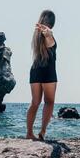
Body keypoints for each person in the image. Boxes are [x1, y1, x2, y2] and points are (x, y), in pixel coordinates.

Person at [26, 10, 57, 140]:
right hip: (48, 71)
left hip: (35, 70)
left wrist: (46, 34)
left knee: (35, 102)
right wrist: (49, 35)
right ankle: (42, 132)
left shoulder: (36, 36)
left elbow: (47, 40)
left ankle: (29, 133)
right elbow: (49, 41)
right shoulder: (48, 35)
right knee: (49, 102)